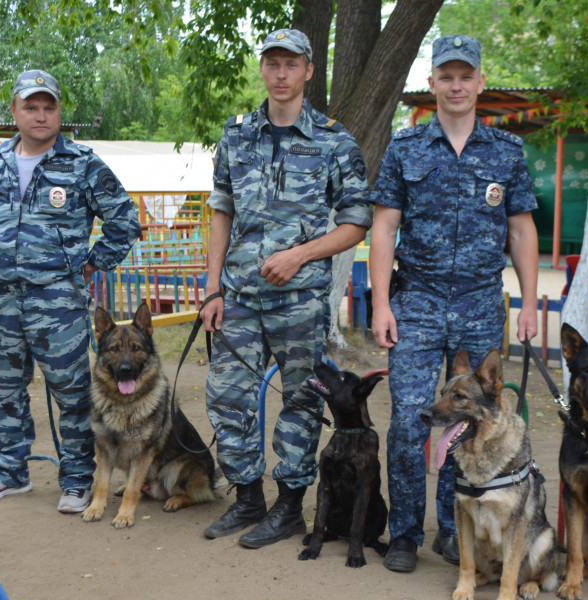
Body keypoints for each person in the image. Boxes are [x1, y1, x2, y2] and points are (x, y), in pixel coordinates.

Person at [369, 35, 539, 572]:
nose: (457, 85)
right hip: (415, 303)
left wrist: (531, 302)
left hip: (480, 306)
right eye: (447, 76)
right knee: (408, 422)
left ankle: (453, 531)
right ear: (434, 83)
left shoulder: (506, 152)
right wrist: (380, 304)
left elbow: (521, 229)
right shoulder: (405, 148)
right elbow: (383, 227)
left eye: (466, 75)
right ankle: (403, 534)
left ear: (480, 82)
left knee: (471, 424)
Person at [200, 28, 373, 549]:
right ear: (262, 68)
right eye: (272, 63)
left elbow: (356, 221)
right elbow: (221, 212)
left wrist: (299, 254)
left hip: (299, 301)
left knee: (299, 402)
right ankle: (248, 498)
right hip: (239, 298)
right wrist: (212, 289)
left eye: (291, 65)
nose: (281, 74)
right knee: (226, 397)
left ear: (308, 71)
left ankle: (290, 507)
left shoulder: (334, 140)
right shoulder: (236, 136)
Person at [0, 69, 141, 513]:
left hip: (57, 301)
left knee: (72, 390)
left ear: (59, 111)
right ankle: (9, 474)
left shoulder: (83, 164)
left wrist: (89, 263)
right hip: (1, 297)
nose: (41, 116)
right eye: (31, 107)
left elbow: (124, 222)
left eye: (49, 107)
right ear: (14, 110)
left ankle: (79, 480)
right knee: (6, 388)